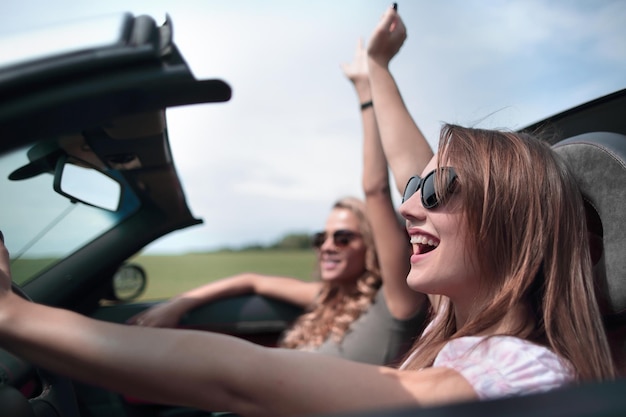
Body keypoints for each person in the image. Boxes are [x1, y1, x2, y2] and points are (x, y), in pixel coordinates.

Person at [0, 5, 616, 416]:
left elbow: (236, 378)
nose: (409, 210)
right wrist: (375, 71)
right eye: (413, 193)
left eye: (438, 192)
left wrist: (13, 317)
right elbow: (403, 176)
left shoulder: (522, 371)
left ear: (514, 226)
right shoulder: (455, 321)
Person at [126, 22, 429, 366]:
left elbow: (374, 189)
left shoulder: (396, 302)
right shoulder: (326, 299)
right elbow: (251, 280)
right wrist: (177, 305)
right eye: (322, 237)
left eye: (344, 238)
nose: (328, 245)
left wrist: (367, 84)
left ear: (372, 247)